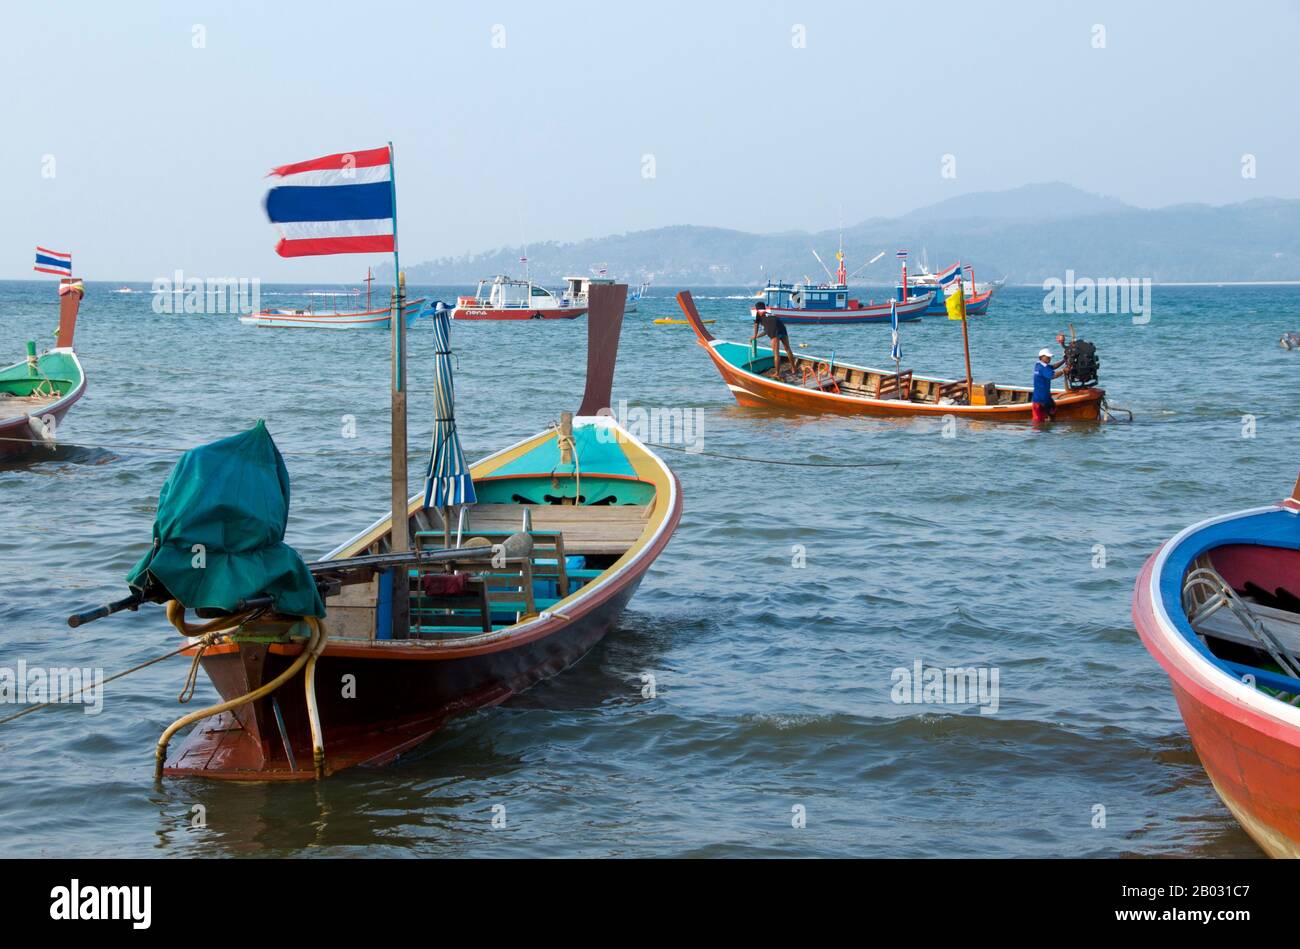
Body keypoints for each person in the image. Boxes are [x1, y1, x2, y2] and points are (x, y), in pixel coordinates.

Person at [751, 300, 797, 379]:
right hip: (782, 327)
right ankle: (794, 368)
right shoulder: (770, 314)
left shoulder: (758, 313)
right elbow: (767, 330)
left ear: (757, 309)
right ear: (764, 308)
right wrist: (757, 336)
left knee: (776, 353)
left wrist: (754, 335)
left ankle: (777, 373)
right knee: (787, 349)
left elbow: (756, 325)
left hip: (774, 330)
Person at [1032, 347, 1062, 422]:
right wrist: (1063, 371)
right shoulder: (1043, 368)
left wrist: (1064, 360)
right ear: (1041, 357)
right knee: (1038, 422)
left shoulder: (1038, 365)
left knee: (1053, 412)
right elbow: (1052, 376)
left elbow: (1053, 366)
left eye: (1050, 357)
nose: (1049, 358)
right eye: (1047, 357)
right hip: (1039, 400)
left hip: (1046, 398)